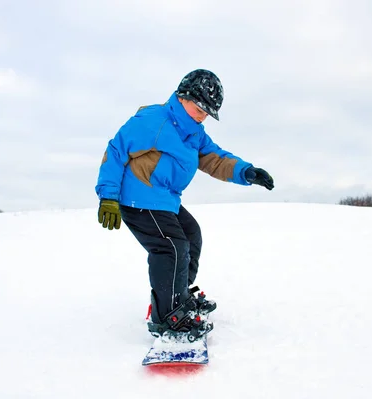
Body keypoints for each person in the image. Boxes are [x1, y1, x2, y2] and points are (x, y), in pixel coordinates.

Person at [95, 69, 274, 340]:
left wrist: (246, 172)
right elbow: (116, 150)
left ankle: (177, 297)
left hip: (165, 200)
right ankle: (167, 317)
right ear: (182, 97)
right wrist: (108, 196)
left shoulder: (194, 133)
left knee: (191, 235)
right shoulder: (154, 120)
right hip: (139, 198)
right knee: (171, 247)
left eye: (208, 112)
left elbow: (215, 158)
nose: (203, 115)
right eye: (199, 107)